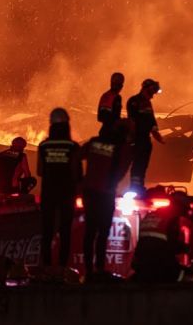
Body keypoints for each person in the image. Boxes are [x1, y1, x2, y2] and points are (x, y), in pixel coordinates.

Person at [80, 119, 133, 280]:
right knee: (103, 232)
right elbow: (121, 172)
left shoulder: (94, 142)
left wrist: (80, 180)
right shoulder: (124, 148)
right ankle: (99, 268)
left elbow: (77, 156)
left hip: (89, 191)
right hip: (106, 193)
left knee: (90, 231)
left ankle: (89, 270)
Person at [37, 108, 82, 267]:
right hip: (66, 193)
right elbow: (76, 172)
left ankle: (46, 266)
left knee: (47, 231)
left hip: (48, 192)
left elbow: (40, 171)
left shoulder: (43, 145)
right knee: (65, 231)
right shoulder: (72, 146)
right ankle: (62, 267)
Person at [131, 191, 190, 283]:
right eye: (185, 207)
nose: (186, 210)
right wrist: (185, 248)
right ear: (181, 205)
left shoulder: (154, 214)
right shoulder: (172, 217)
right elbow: (172, 244)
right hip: (158, 258)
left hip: (142, 260)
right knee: (182, 275)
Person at [126, 78, 165, 194]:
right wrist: (132, 138)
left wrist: (157, 136)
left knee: (142, 165)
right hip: (137, 139)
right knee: (138, 164)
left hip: (145, 140)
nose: (153, 95)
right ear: (146, 88)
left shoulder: (147, 103)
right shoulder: (134, 101)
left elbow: (151, 121)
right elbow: (132, 121)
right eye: (152, 91)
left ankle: (139, 187)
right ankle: (134, 188)